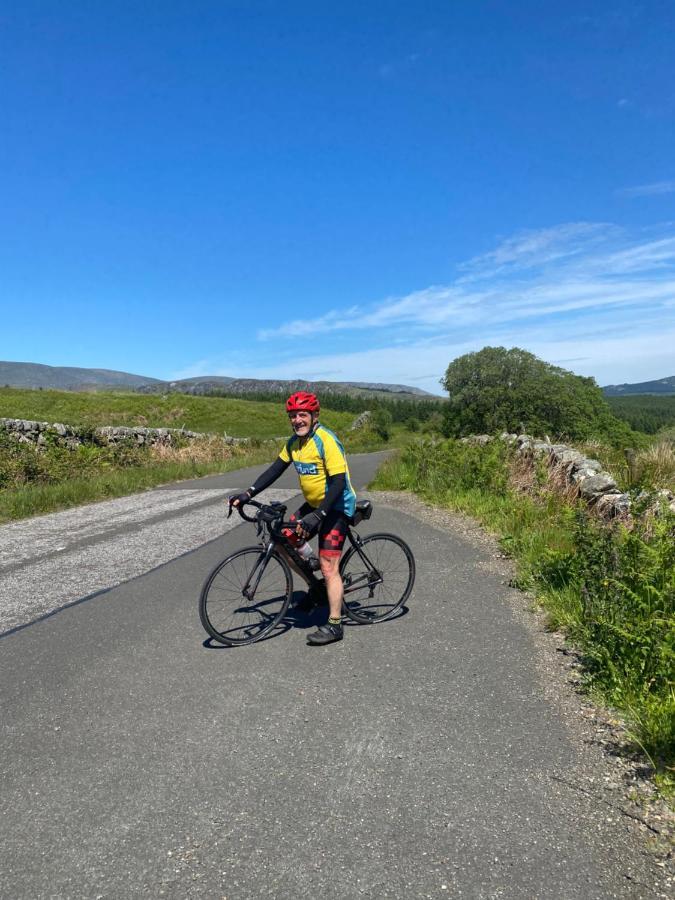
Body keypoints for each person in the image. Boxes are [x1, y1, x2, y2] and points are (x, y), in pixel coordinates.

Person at [229, 391, 356, 646]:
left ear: (314, 416)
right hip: (314, 505)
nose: (297, 420)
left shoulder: (325, 440)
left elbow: (339, 482)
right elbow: (275, 469)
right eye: (293, 416)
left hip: (337, 507)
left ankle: (334, 623)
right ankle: (315, 585)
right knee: (284, 539)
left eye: (302, 415)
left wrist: (319, 516)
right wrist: (248, 493)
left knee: (329, 565)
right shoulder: (294, 444)